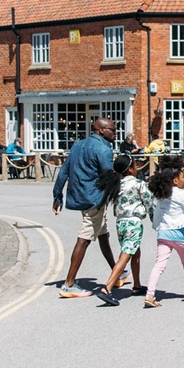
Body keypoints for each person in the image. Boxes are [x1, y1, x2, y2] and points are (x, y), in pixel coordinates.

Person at [52, 117, 118, 298]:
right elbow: (108, 177)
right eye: (112, 129)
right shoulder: (103, 148)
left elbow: (63, 171)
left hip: (81, 196)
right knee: (84, 238)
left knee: (103, 233)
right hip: (95, 199)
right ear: (101, 130)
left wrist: (57, 195)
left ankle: (117, 272)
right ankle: (69, 284)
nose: (115, 132)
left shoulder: (78, 145)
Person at [143, 157, 184, 307]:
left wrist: (156, 227)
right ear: (175, 180)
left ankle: (149, 295)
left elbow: (158, 214)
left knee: (159, 265)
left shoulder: (162, 194)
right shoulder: (181, 194)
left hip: (163, 234)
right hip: (180, 234)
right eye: (182, 176)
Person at [95, 152, 151, 305]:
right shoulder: (138, 184)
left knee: (135, 252)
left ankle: (137, 285)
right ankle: (108, 287)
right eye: (134, 165)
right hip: (134, 222)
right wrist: (154, 219)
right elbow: (148, 201)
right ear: (131, 170)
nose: (137, 166)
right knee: (126, 255)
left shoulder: (117, 183)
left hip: (121, 222)